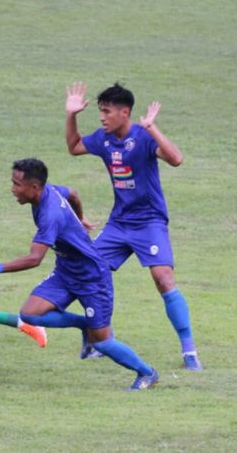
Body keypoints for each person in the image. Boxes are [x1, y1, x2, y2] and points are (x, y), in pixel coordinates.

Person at [0, 158, 158, 390]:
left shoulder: (50, 216)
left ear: (34, 188)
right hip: (66, 272)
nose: (13, 189)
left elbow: (35, 259)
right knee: (29, 315)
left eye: (17, 184)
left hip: (92, 278)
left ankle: (147, 373)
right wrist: (80, 218)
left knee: (104, 342)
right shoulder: (51, 189)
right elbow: (73, 193)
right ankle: (84, 324)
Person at [64, 81, 201, 371]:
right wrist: (71, 115)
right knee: (88, 270)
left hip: (149, 222)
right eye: (100, 111)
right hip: (118, 223)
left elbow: (176, 159)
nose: (101, 117)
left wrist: (151, 127)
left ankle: (189, 351)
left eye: (106, 111)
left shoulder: (143, 137)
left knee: (163, 279)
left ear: (124, 112)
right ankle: (94, 338)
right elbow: (74, 147)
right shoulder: (103, 139)